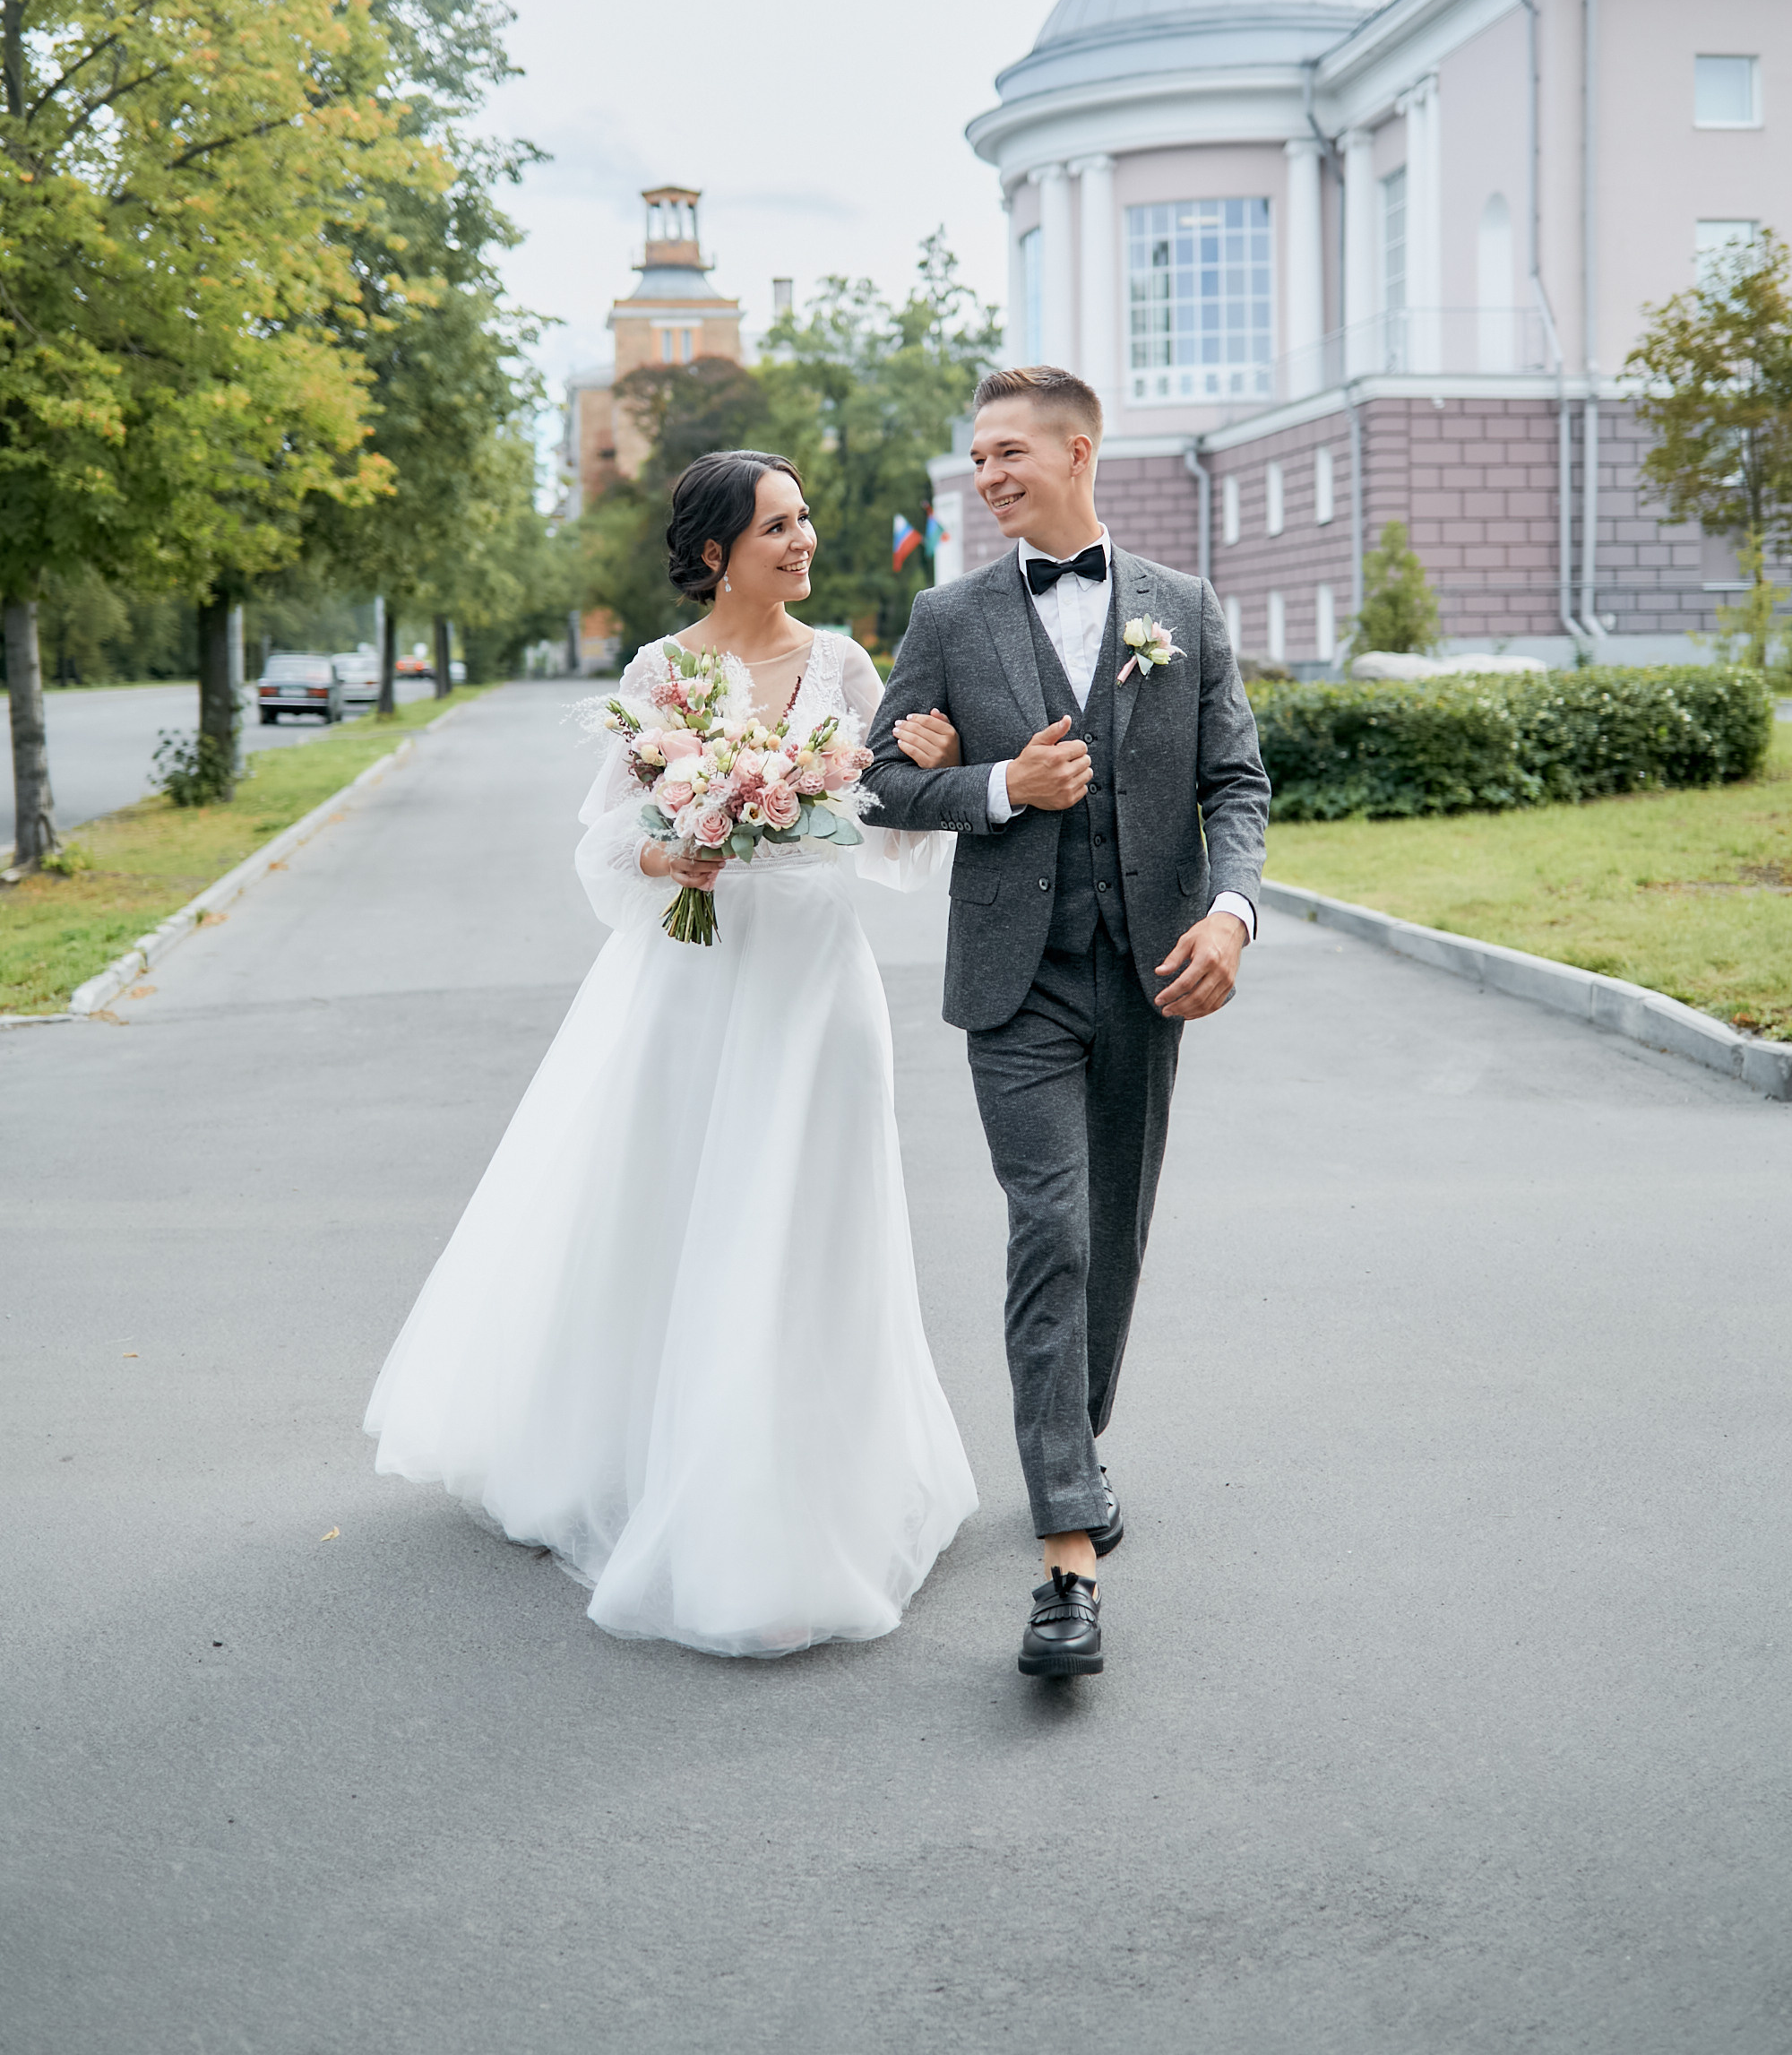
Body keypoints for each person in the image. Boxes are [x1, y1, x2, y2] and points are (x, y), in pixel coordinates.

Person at [365, 451, 976, 1658]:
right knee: (679, 1206)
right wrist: (669, 851)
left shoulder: (846, 666)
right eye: (776, 525)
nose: (802, 540)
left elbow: (884, 845)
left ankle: (805, 1473)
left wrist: (937, 771)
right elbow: (605, 838)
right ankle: (658, 1459)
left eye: (803, 518)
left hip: (815, 980)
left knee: (810, 1214)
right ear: (713, 552)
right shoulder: (661, 672)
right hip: (690, 982)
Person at [864, 365, 1270, 1680]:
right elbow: (874, 781)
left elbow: (1236, 782)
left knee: (1114, 1236)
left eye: (1008, 453)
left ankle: (1070, 1449)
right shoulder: (948, 615)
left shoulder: (1183, 609)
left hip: (1153, 974)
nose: (986, 476)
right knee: (1052, 1229)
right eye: (978, 456)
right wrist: (998, 785)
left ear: (1078, 453)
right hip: (1015, 982)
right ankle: (1065, 1566)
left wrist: (1233, 914)